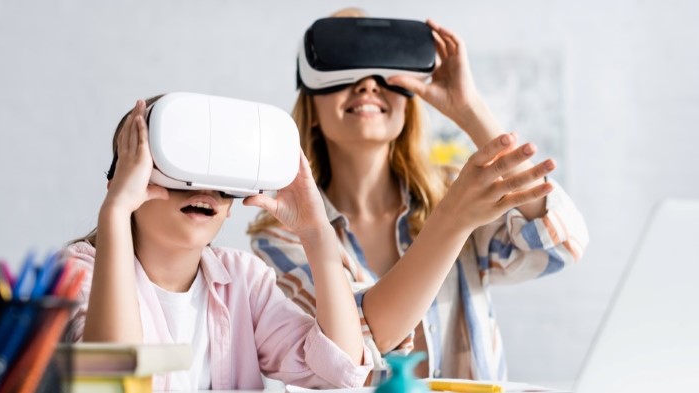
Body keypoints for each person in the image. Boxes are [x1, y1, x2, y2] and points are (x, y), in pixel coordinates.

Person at [247, 8, 589, 383]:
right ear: (310, 108)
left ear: (407, 105)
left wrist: (469, 108)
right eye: (346, 67)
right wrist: (452, 221)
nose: (367, 84)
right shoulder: (286, 231)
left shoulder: (454, 192)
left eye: (383, 70)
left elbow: (561, 244)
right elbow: (353, 349)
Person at [63, 96, 373, 390]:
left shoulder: (244, 280)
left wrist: (316, 232)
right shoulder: (77, 272)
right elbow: (112, 383)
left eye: (222, 180)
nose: (206, 189)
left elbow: (340, 373)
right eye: (184, 167)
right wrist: (116, 213)